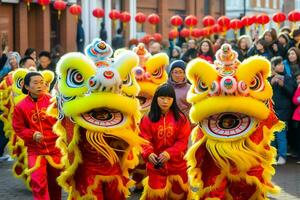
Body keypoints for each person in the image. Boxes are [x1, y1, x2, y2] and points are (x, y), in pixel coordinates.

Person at [12, 72, 62, 199]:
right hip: (35, 151)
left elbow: (62, 122)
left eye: (41, 82)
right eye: (35, 83)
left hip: (54, 149)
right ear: (27, 87)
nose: (40, 85)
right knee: (37, 182)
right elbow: (18, 127)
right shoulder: (20, 106)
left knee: (55, 184)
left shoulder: (53, 102)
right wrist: (32, 134)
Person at [140, 83, 191, 200]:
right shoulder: (147, 118)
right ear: (156, 98)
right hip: (156, 165)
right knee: (156, 195)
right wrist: (149, 153)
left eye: (169, 98)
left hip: (177, 164)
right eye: (162, 98)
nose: (165, 102)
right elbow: (144, 140)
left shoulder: (181, 118)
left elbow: (182, 141)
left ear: (173, 100)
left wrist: (169, 153)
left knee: (179, 194)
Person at [269, 56, 297, 165]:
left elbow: (292, 93)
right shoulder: (268, 78)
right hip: (271, 110)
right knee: (272, 136)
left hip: (284, 111)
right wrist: (271, 83)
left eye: (282, 64)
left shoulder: (288, 78)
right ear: (273, 66)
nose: (281, 66)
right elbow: (264, 94)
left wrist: (283, 85)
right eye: (278, 64)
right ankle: (272, 156)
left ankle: (282, 156)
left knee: (281, 136)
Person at [291, 71, 300, 164]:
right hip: (298, 117)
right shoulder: (298, 88)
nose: (298, 80)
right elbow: (294, 100)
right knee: (298, 137)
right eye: (297, 78)